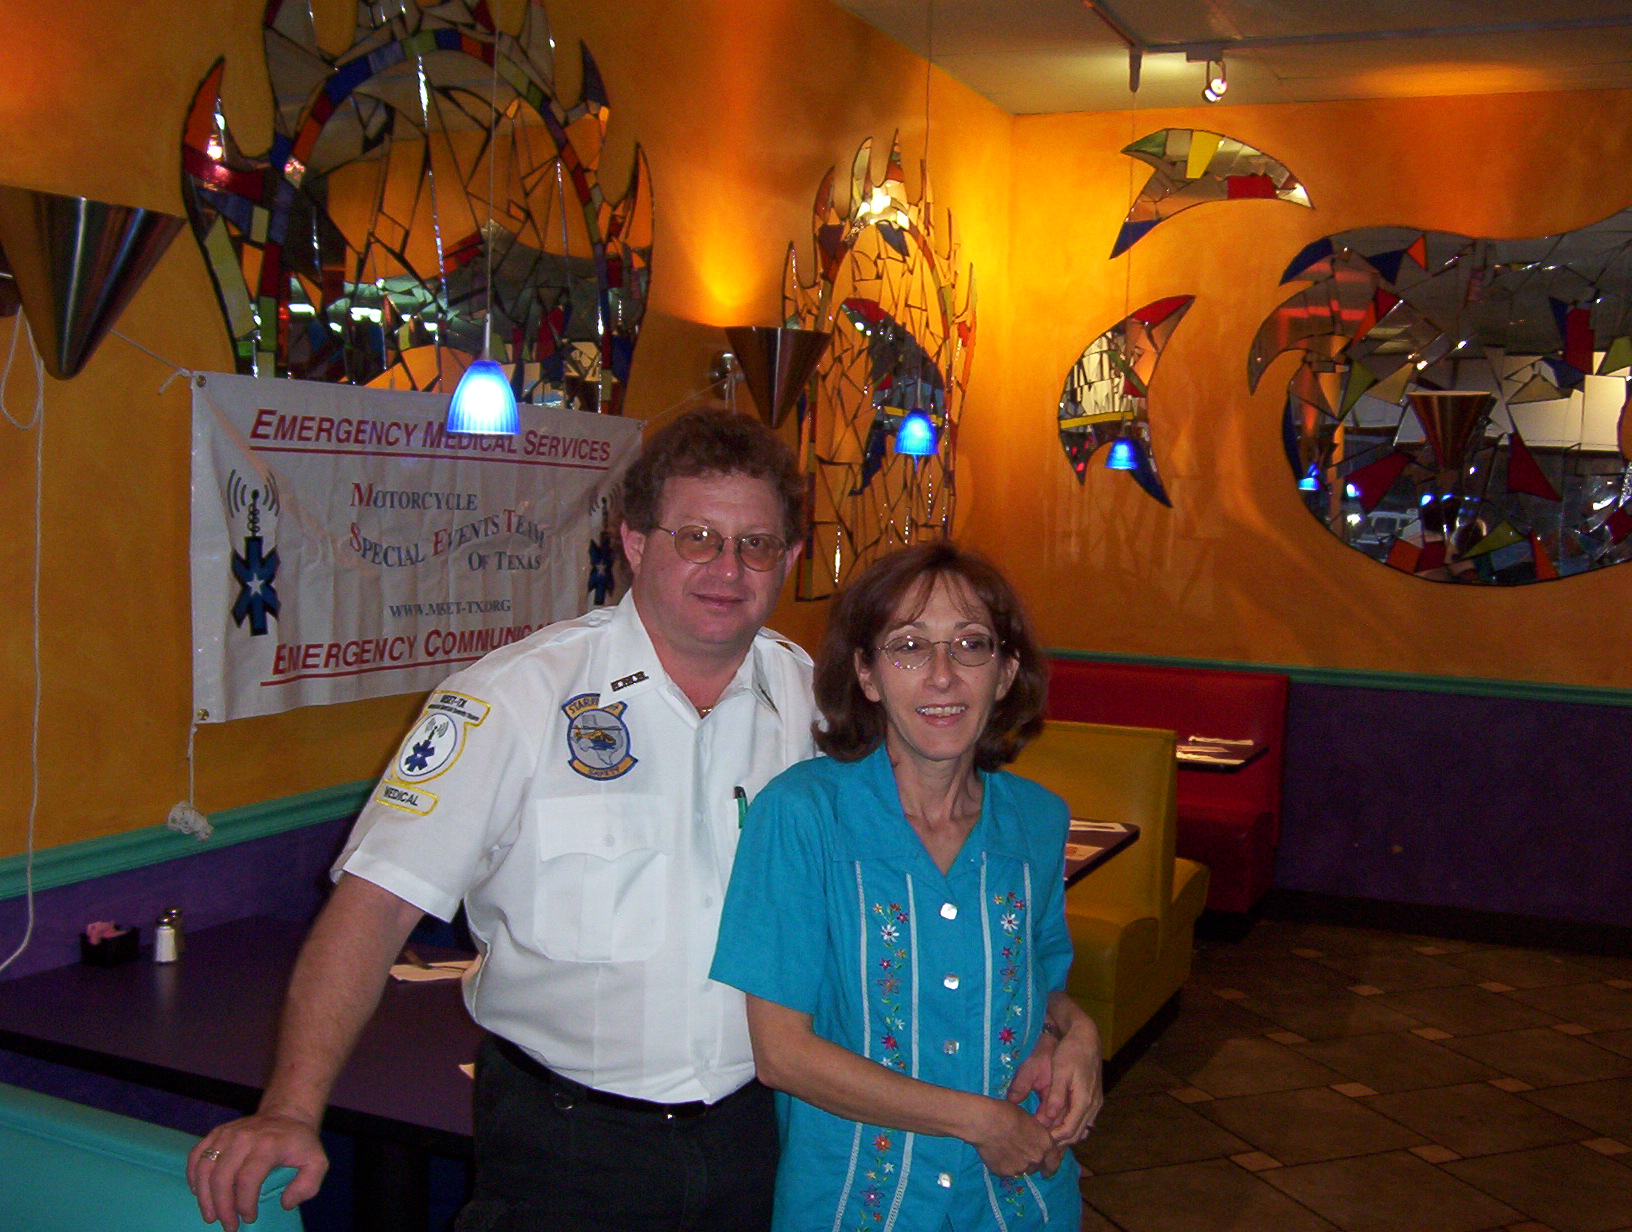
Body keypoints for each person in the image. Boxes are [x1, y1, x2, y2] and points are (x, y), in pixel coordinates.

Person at [188, 410, 1098, 1232]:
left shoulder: (826, 713)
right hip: (571, 1147)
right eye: (697, 537)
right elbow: (375, 908)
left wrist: (1064, 1023)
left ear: (788, 560)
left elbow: (951, 910)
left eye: (755, 544)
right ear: (632, 540)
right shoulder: (512, 701)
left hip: (765, 1141)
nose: (727, 569)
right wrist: (291, 1110)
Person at [710, 542, 1102, 1232]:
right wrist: (979, 1120)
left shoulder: (1037, 822)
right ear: (866, 674)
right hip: (857, 1204)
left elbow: (1036, 983)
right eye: (910, 647)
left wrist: (1075, 1030)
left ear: (1006, 672)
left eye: (971, 645)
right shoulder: (802, 816)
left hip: (1016, 1201)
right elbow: (783, 1055)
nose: (943, 676)